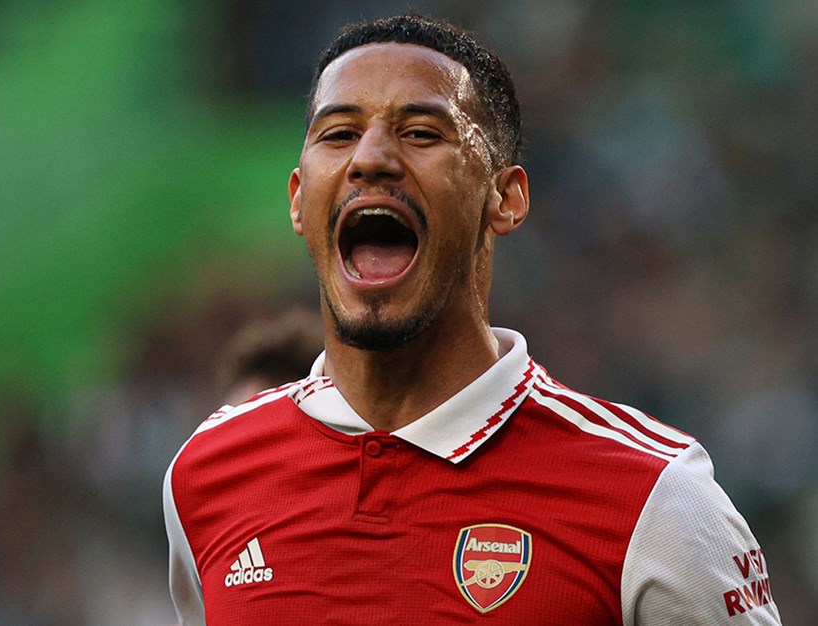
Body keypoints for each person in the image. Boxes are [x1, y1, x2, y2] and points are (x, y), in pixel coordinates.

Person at [163, 13, 781, 625]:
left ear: (504, 198)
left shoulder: (655, 499)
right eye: (340, 133)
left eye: (421, 133)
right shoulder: (206, 476)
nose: (370, 158)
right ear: (299, 199)